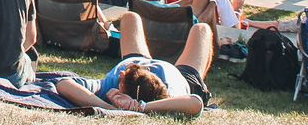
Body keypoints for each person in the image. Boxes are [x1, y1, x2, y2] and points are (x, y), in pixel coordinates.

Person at [54, 11, 212, 116]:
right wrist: (123, 108)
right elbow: (195, 102)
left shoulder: (112, 85)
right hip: (157, 69)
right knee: (201, 28)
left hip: (159, 70)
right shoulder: (171, 96)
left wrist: (118, 108)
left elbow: (64, 83)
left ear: (121, 82)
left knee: (202, 28)